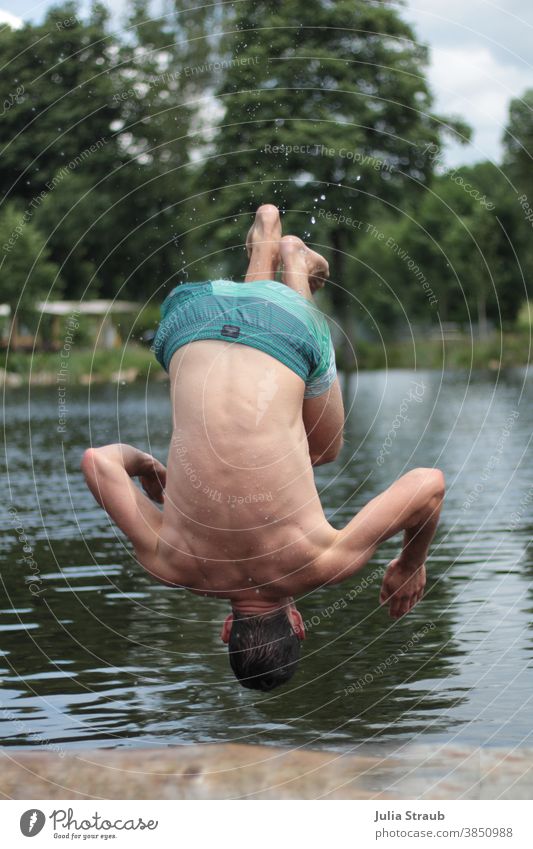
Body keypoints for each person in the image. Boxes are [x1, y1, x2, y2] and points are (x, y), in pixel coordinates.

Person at [81, 204, 444, 692]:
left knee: (326, 449)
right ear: (227, 629)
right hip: (191, 319)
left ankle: (290, 260)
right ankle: (266, 243)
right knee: (287, 408)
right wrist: (147, 465)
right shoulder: (168, 563)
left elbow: (430, 485)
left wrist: (410, 562)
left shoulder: (323, 563)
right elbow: (97, 461)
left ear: (297, 626)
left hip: (281, 329)